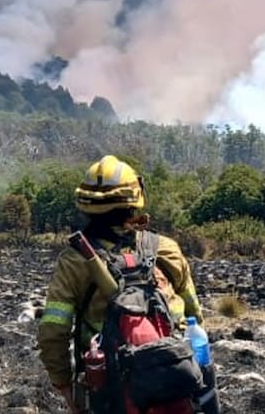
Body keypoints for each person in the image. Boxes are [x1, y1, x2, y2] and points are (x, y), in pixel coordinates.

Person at [37, 155, 206, 414]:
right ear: (135, 200)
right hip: (178, 382)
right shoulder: (166, 249)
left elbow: (53, 331)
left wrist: (65, 386)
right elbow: (194, 316)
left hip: (108, 389)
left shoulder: (75, 260)